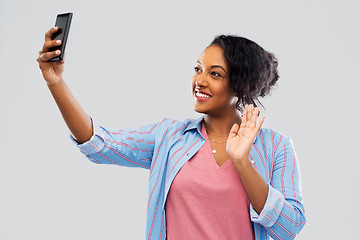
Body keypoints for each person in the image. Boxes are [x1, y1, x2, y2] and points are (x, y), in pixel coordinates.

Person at [37, 27, 306, 240]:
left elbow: (289, 228)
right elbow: (99, 144)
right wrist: (56, 82)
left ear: (242, 85)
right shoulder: (169, 137)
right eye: (198, 69)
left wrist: (242, 162)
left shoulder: (276, 147)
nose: (200, 81)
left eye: (215, 74)